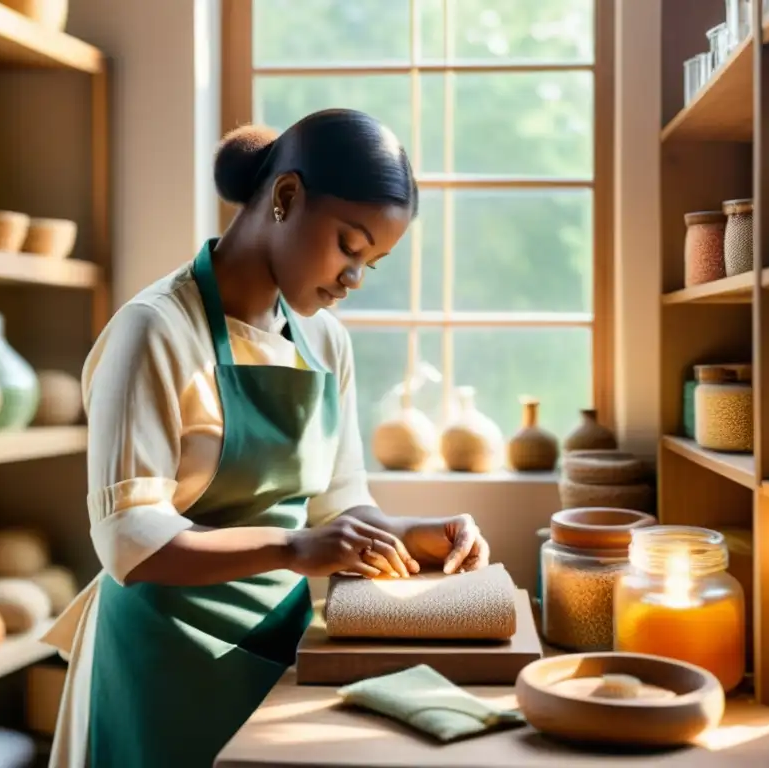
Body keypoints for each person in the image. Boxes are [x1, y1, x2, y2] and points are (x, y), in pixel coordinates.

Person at [43, 108, 493, 768]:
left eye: (372, 262)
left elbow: (337, 504)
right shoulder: (154, 332)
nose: (353, 279)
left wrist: (409, 533)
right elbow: (129, 539)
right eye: (349, 244)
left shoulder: (324, 341)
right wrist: (296, 547)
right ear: (285, 197)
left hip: (277, 650)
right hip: (158, 665)